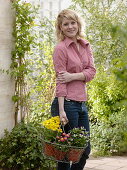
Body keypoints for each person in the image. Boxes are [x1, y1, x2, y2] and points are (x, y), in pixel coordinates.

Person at [51, 9, 96, 170]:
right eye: (66, 24)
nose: (70, 27)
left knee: (84, 149)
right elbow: (61, 81)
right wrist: (61, 110)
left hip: (82, 104)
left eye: (73, 22)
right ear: (60, 28)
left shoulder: (85, 45)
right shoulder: (60, 49)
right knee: (65, 153)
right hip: (66, 104)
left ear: (78, 24)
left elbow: (92, 72)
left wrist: (73, 76)